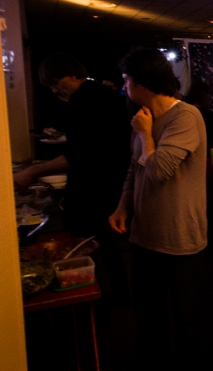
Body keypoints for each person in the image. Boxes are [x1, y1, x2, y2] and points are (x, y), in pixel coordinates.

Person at [109, 48, 208, 370]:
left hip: (179, 239)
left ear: (143, 82)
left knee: (187, 323)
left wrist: (145, 134)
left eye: (127, 80)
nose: (124, 87)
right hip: (143, 236)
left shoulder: (185, 116)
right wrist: (123, 205)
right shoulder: (143, 119)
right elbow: (134, 170)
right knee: (148, 319)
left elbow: (158, 170)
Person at [14, 52, 132, 302]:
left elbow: (78, 156)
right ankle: (119, 295)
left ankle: (91, 300)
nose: (55, 91)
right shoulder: (106, 96)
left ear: (71, 75)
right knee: (106, 244)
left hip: (93, 188)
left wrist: (32, 171)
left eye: (56, 83)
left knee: (86, 245)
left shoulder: (84, 101)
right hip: (113, 183)